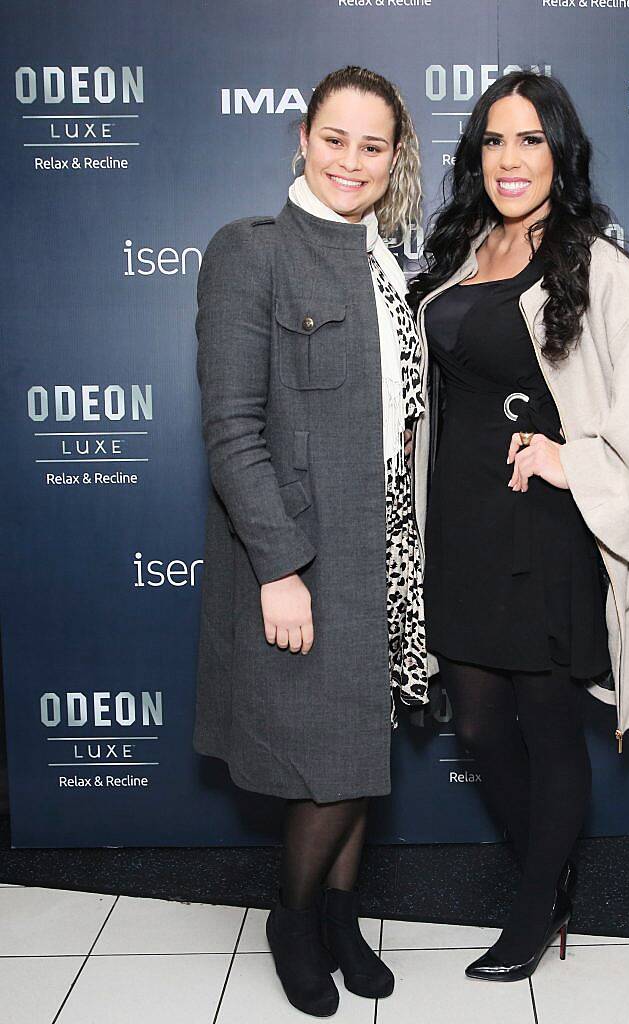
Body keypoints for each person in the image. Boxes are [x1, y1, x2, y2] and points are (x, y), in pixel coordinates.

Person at [408, 71, 629, 982]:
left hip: (541, 533)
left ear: (559, 154)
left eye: (530, 140)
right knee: (477, 722)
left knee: (544, 722)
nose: (511, 159)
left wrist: (572, 459)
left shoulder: (591, 262)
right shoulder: (466, 248)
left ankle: (534, 908)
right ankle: (551, 868)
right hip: (458, 527)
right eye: (495, 141)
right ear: (476, 156)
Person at [192, 66, 427, 1017]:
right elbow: (231, 430)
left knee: (358, 750)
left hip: (389, 547)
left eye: (373, 146)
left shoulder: (385, 260)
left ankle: (339, 918)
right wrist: (279, 566)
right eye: (335, 139)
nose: (351, 161)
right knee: (321, 758)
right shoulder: (251, 252)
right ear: (302, 136)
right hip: (307, 549)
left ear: (393, 157)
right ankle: (290, 921)